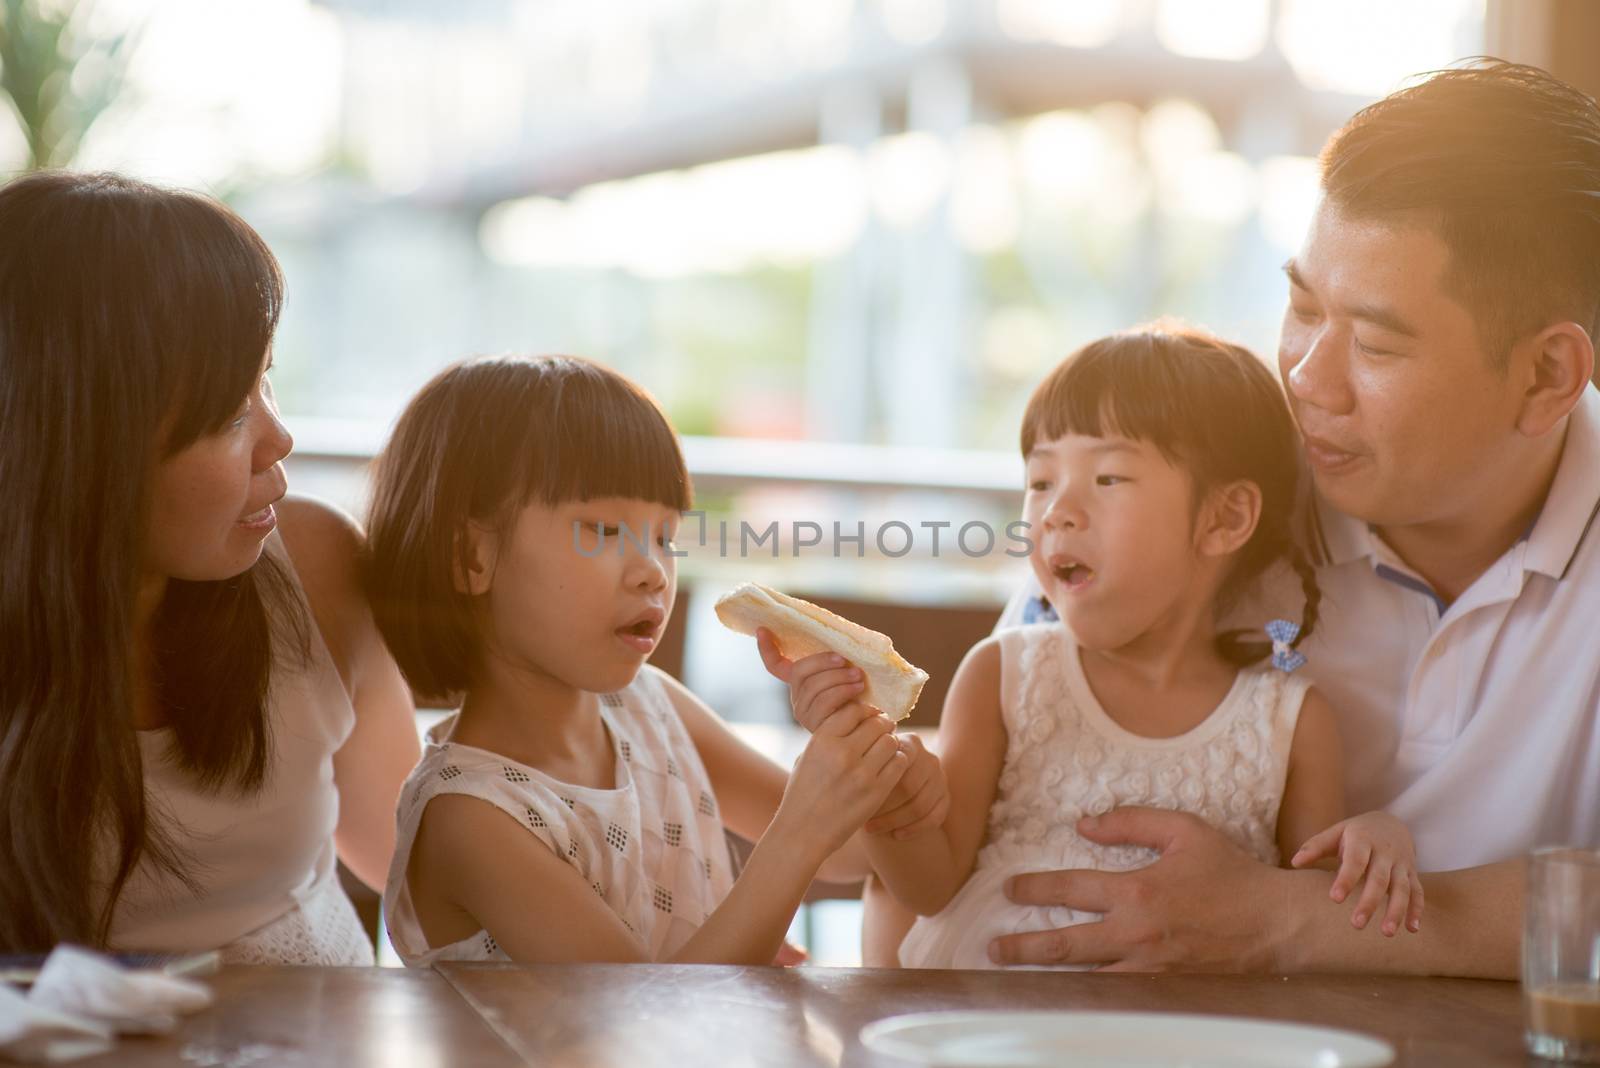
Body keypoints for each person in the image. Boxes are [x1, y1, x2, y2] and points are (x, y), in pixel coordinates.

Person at [982, 60, 1600, 977]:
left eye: (1379, 344)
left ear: (1548, 375)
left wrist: (1296, 919)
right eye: (1303, 307)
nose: (1307, 380)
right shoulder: (1214, 490)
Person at [765, 326, 1421, 968]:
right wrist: (884, 795)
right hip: (990, 1028)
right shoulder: (1004, 674)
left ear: (1223, 519)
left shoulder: (1292, 721)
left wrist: (1374, 843)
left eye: (1107, 479)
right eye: (1042, 481)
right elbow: (929, 887)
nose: (1057, 510)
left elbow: (1302, 922)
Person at [366, 355, 945, 965]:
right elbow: (644, 1024)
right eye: (603, 532)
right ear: (471, 559)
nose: (652, 572)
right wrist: (798, 834)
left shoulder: (651, 705)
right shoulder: (469, 818)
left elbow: (846, 854)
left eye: (665, 538)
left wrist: (884, 785)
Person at [0, 171, 421, 962]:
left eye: (267, 381)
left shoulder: (317, 571)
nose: (279, 439)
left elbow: (425, 866)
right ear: (81, 443)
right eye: (231, 412)